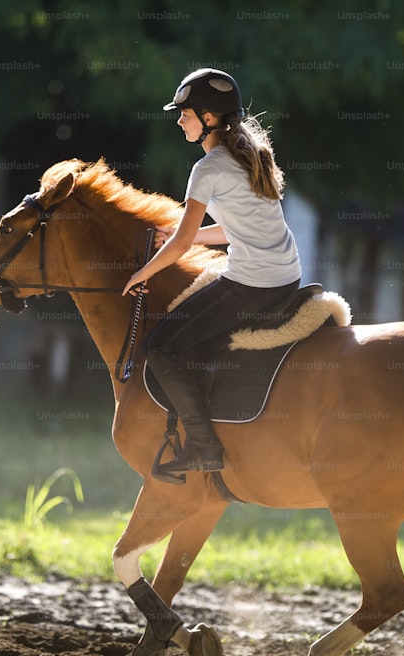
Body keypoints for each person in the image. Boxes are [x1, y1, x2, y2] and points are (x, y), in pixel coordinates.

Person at [122, 68, 301, 480]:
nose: (178, 120)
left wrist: (142, 274)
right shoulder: (249, 154)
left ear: (208, 118)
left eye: (184, 113)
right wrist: (179, 234)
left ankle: (204, 445)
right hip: (284, 276)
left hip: (252, 284)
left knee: (160, 346)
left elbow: (182, 247)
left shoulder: (208, 169)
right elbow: (228, 230)